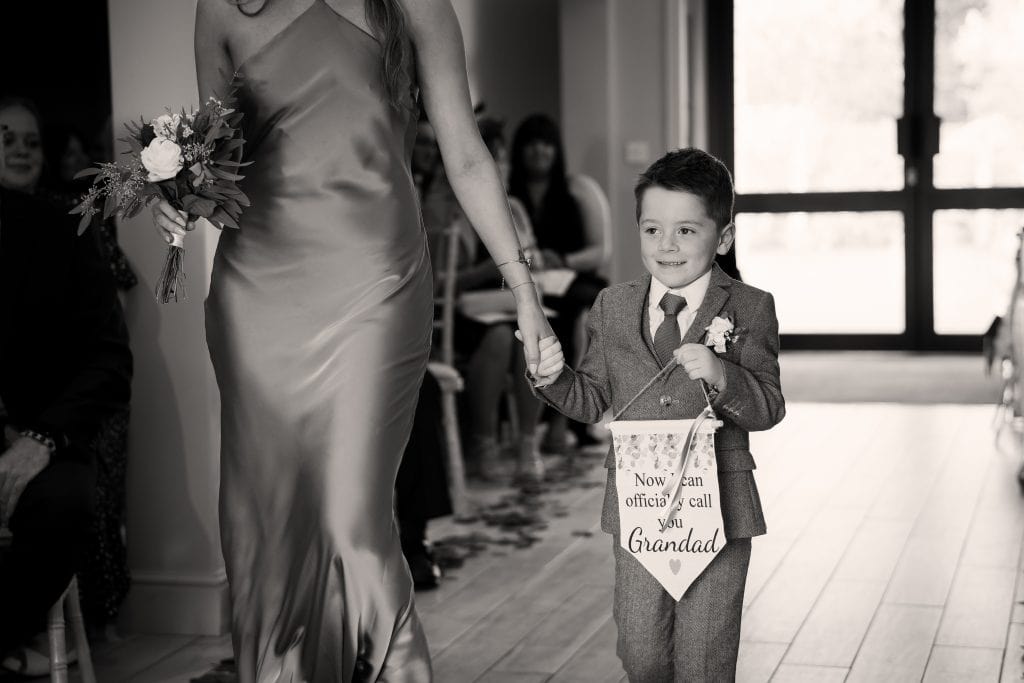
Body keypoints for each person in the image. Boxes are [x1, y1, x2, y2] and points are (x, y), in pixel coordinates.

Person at [150, 1, 553, 680]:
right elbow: (220, 161)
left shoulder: (417, 5)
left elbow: (465, 156)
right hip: (259, 296)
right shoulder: (222, 7)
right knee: (270, 520)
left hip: (378, 282)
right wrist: (180, 193)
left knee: (352, 522)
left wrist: (525, 291)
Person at [528, 148, 785, 680]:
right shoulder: (612, 306)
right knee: (641, 649)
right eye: (652, 230)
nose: (667, 246)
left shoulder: (750, 307)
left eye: (686, 231)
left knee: (705, 655)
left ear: (724, 238)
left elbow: (768, 407)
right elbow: (592, 398)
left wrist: (722, 375)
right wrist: (553, 377)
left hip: (718, 508)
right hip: (638, 508)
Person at [0, 97, 135, 637]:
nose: (21, 150)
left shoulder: (68, 228)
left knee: (63, 507)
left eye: (32, 141)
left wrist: (42, 437)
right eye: (6, 138)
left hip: (46, 433)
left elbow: (111, 360)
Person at [508, 113, 608, 453]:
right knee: (541, 315)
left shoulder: (578, 189)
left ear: (557, 150)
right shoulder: (508, 195)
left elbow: (600, 250)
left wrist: (563, 260)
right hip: (531, 283)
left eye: (547, 144)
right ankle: (540, 417)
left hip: (574, 278)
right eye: (532, 144)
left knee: (576, 314)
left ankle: (564, 418)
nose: (540, 151)